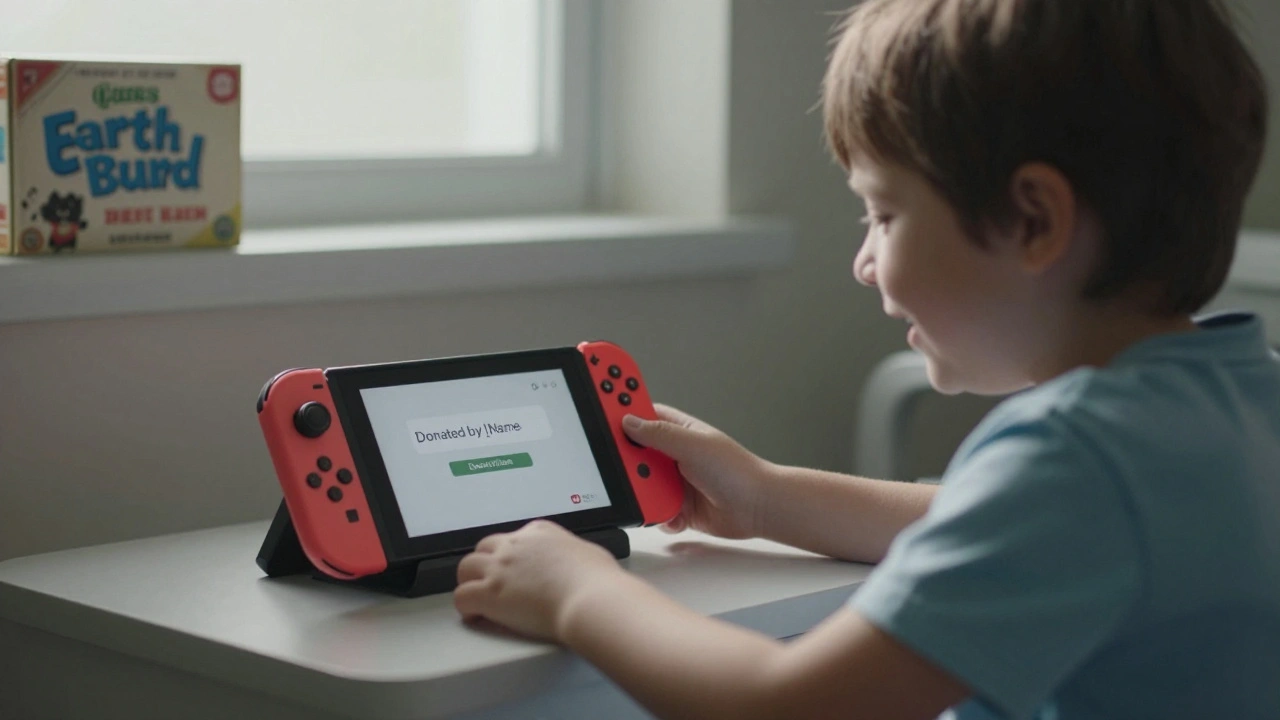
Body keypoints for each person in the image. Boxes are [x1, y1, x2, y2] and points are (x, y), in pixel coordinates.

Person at [453, 1, 1280, 717]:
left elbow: (786, 707)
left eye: (883, 215)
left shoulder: (1079, 459)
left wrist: (578, 592)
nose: (864, 262)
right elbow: (992, 525)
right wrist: (768, 496)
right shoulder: (1237, 400)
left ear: (1033, 222)